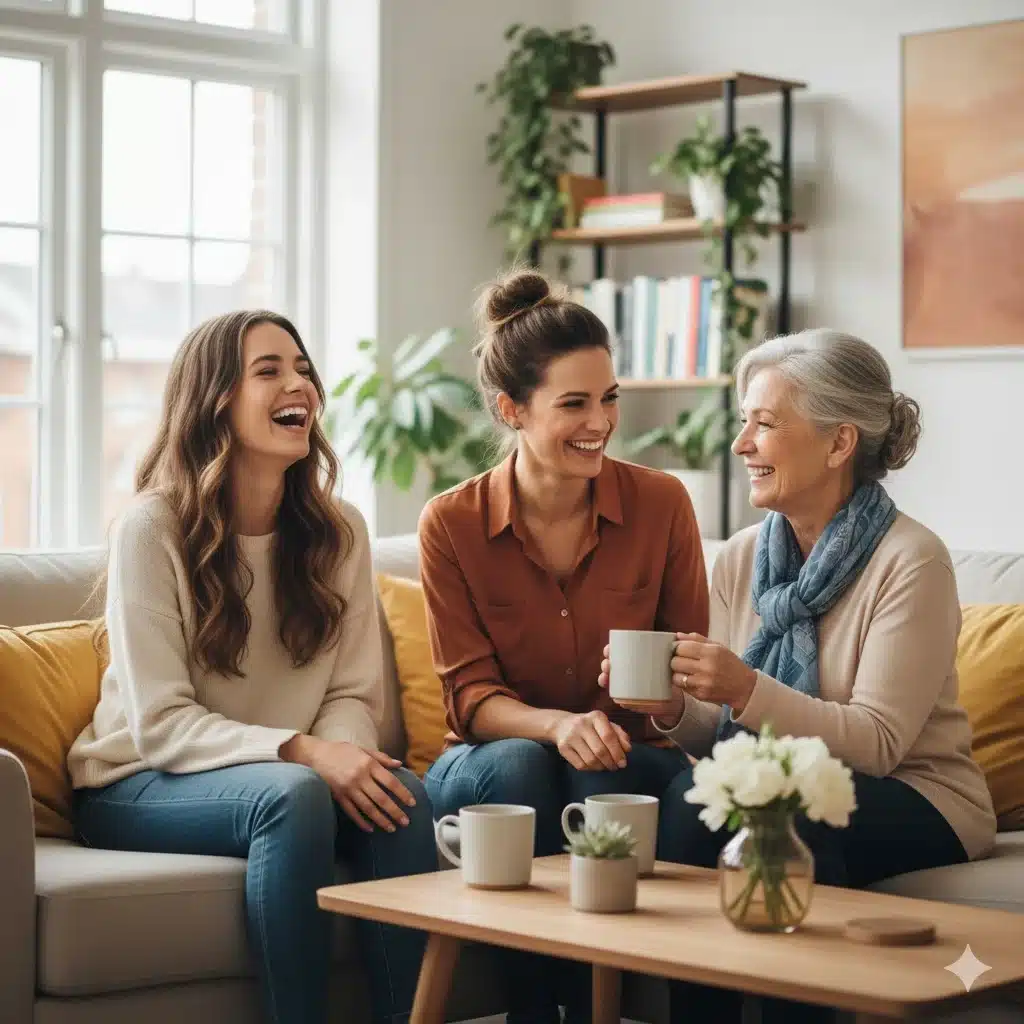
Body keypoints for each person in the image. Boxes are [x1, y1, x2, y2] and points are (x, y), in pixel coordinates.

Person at [600, 328, 998, 1023]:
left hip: (920, 794)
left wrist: (745, 689)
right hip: (791, 777)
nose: (740, 444)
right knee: (692, 804)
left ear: (839, 443)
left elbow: (877, 745)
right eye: (743, 422)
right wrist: (672, 707)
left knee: (784, 819)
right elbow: (725, 736)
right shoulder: (741, 556)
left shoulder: (912, 561)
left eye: (764, 423)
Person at [68, 310, 438, 1024]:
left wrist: (346, 761)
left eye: (302, 369)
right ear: (214, 400)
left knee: (401, 799)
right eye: (268, 371)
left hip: (283, 776)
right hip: (137, 779)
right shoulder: (152, 528)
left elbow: (353, 694)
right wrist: (307, 755)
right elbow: (161, 724)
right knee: (292, 796)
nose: (298, 384)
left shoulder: (340, 531)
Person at [418, 269, 710, 1023]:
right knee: (525, 764)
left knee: (602, 780)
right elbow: (469, 699)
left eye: (609, 398)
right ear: (510, 408)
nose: (600, 422)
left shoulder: (662, 504)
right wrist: (557, 725)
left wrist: (663, 693)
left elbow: (693, 673)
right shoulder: (452, 523)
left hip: (625, 755)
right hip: (488, 764)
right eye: (574, 404)